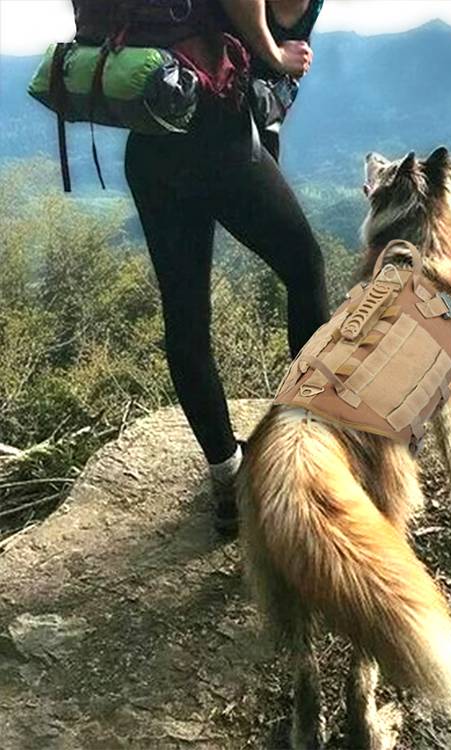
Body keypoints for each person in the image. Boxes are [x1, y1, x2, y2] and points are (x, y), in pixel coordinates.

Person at [124, 0, 329, 536]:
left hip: (151, 137)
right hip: (213, 130)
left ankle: (228, 479)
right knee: (305, 267)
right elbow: (277, 16)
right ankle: (311, 448)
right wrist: (275, 57)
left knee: (186, 318)